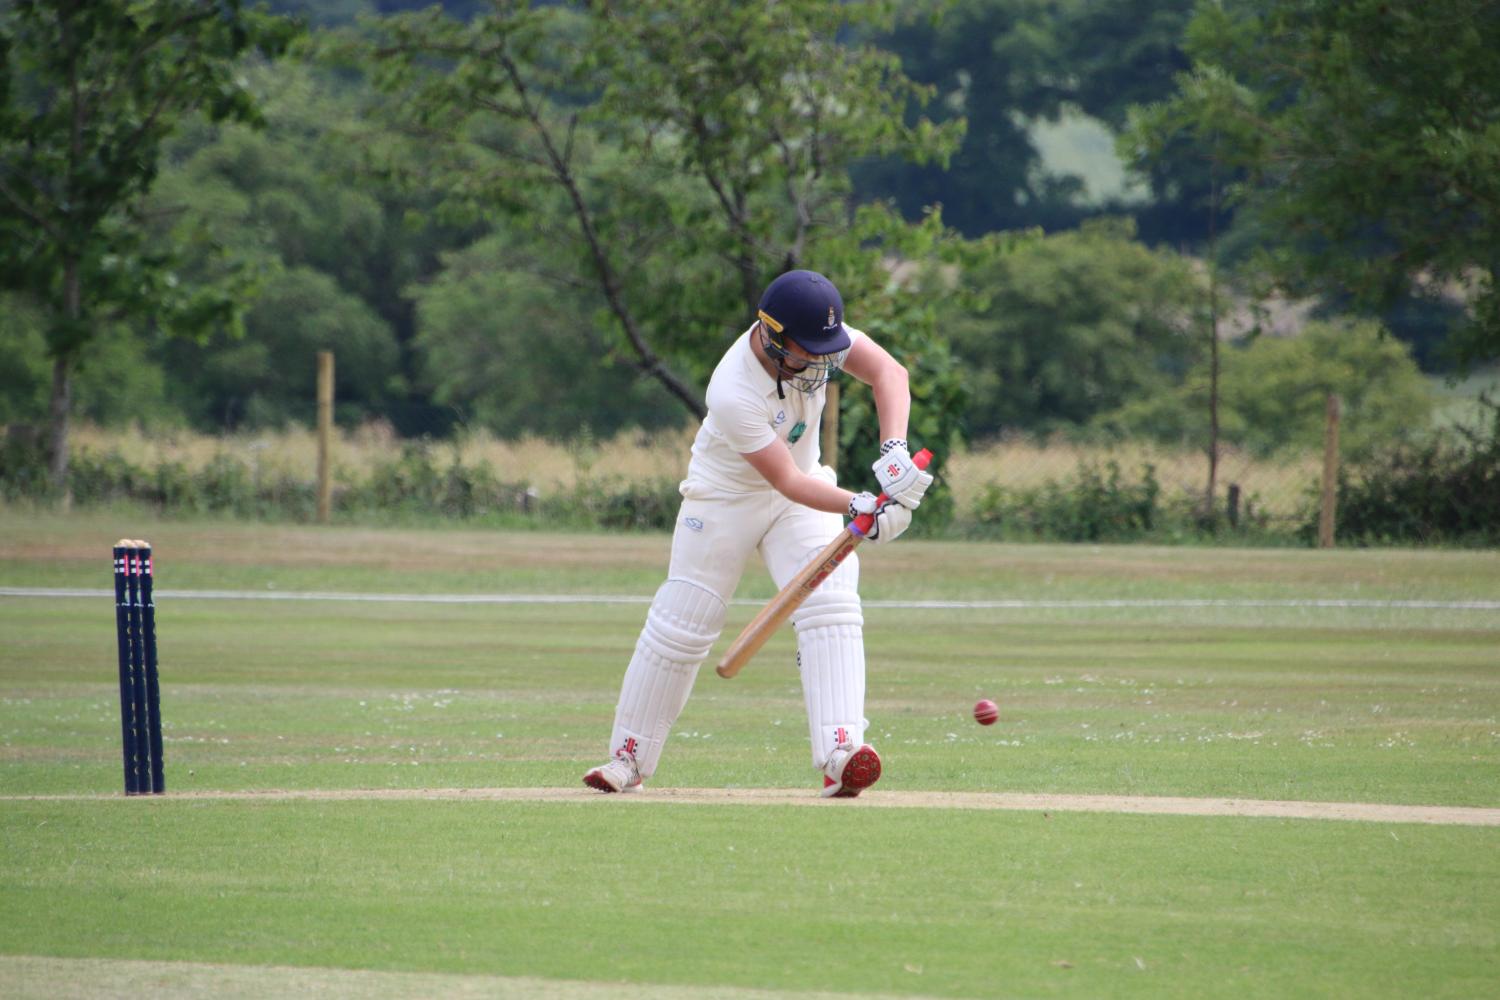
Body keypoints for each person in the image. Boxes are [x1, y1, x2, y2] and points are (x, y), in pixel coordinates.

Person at [583, 269, 933, 797]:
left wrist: (894, 451)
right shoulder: (732, 389)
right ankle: (627, 759)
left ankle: (841, 753)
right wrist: (865, 505)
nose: (820, 363)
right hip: (725, 498)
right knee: (686, 621)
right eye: (807, 352)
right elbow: (785, 481)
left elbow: (891, 374)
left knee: (832, 602)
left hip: (804, 488)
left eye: (825, 351)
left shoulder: (818, 338)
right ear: (771, 335)